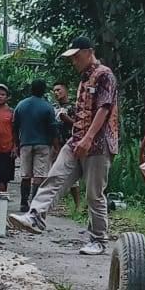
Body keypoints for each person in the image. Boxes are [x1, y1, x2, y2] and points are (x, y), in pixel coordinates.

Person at [10, 37, 118, 255]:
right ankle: (36, 216)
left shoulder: (104, 75)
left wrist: (89, 138)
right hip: (76, 140)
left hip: (98, 144)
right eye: (72, 58)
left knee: (94, 194)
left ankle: (98, 239)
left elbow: (104, 109)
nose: (74, 61)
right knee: (55, 176)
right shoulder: (84, 79)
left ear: (89, 52)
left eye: (77, 57)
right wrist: (78, 136)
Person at [13, 79, 59, 212]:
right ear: (43, 90)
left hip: (25, 143)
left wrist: (16, 144)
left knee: (25, 174)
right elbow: (53, 128)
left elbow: (15, 126)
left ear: (31, 89)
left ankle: (23, 203)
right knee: (39, 175)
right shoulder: (47, 107)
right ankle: (34, 203)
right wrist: (56, 145)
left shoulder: (21, 105)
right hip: (43, 144)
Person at [51, 81, 83, 213]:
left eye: (59, 90)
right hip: (56, 144)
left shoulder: (73, 107)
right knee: (54, 174)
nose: (56, 93)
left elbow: (79, 125)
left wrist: (67, 119)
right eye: (54, 91)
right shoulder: (53, 108)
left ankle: (78, 206)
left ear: (66, 91)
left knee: (72, 175)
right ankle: (53, 204)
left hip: (70, 143)